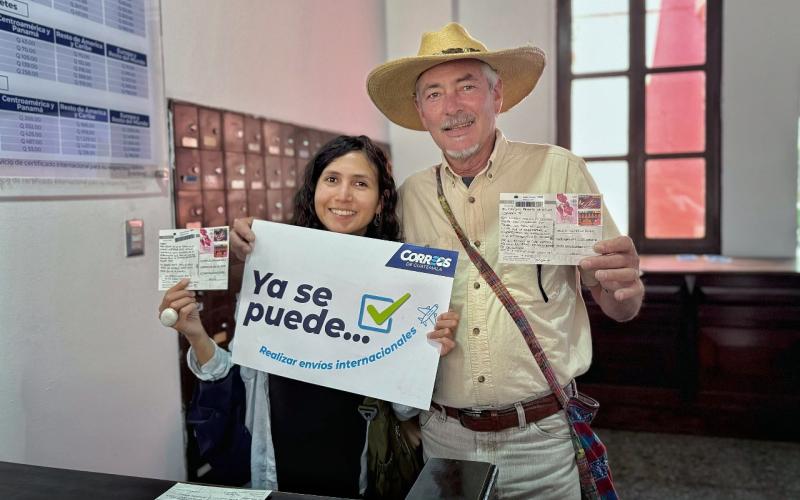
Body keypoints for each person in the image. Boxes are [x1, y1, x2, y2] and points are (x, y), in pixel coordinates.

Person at [363, 23, 645, 499]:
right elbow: (373, 286)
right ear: (421, 112)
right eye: (434, 93)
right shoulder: (411, 196)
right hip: (444, 437)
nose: (452, 106)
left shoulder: (558, 170)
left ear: (497, 96)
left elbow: (617, 302)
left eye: (467, 86)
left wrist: (624, 293)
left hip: (541, 440)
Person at [160, 135, 458, 497]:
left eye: (360, 183)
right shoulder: (276, 262)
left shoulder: (402, 280)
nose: (343, 195)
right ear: (314, 189)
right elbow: (240, 373)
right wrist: (194, 332)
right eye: (331, 179)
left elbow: (404, 409)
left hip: (355, 473)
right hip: (275, 469)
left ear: (380, 202)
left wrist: (427, 353)